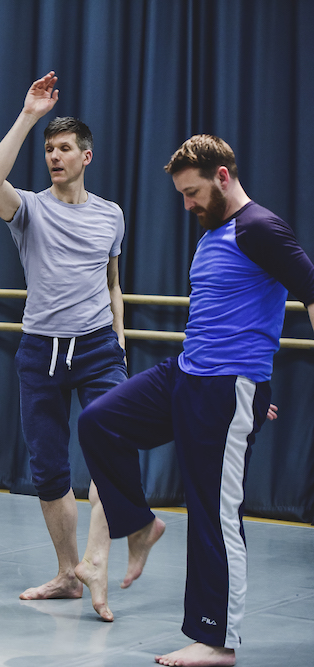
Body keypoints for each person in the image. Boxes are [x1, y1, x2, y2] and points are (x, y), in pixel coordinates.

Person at [75, 135, 314, 666]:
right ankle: (138, 523)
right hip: (185, 374)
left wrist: (249, 391)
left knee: (215, 515)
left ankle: (217, 641)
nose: (187, 205)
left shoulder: (260, 227)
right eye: (182, 195)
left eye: (192, 192)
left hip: (227, 388)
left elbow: (310, 290)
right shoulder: (215, 230)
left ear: (223, 176)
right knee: (98, 422)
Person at [0, 71, 136, 605]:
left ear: (85, 156)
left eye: (64, 148)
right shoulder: (30, 210)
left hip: (97, 349)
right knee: (49, 468)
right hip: (40, 350)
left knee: (111, 457)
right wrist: (29, 116)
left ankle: (96, 564)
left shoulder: (111, 215)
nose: (54, 155)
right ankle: (69, 573)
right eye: (49, 148)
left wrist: (119, 340)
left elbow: (114, 284)